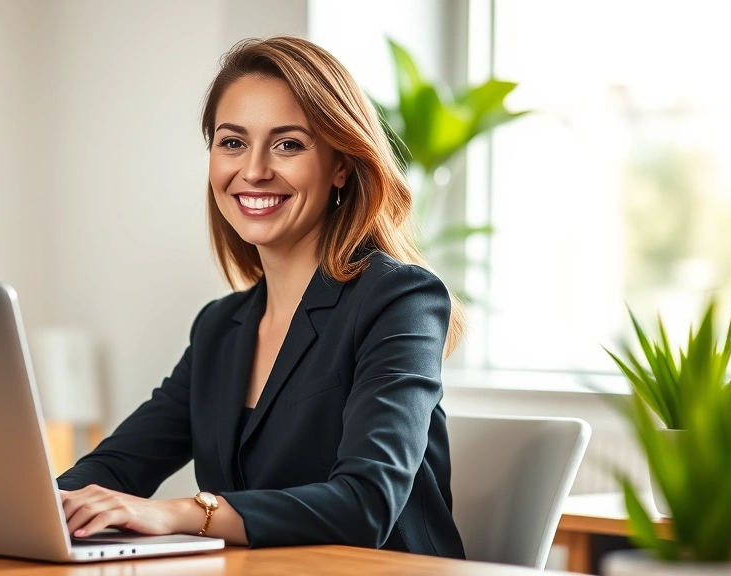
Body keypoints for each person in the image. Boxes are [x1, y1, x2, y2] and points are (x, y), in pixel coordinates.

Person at [57, 36, 465, 558]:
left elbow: (366, 505)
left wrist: (182, 512)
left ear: (341, 164)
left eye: (288, 144)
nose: (253, 171)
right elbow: (117, 466)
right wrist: (40, 504)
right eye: (232, 143)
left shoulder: (399, 299)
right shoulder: (220, 327)